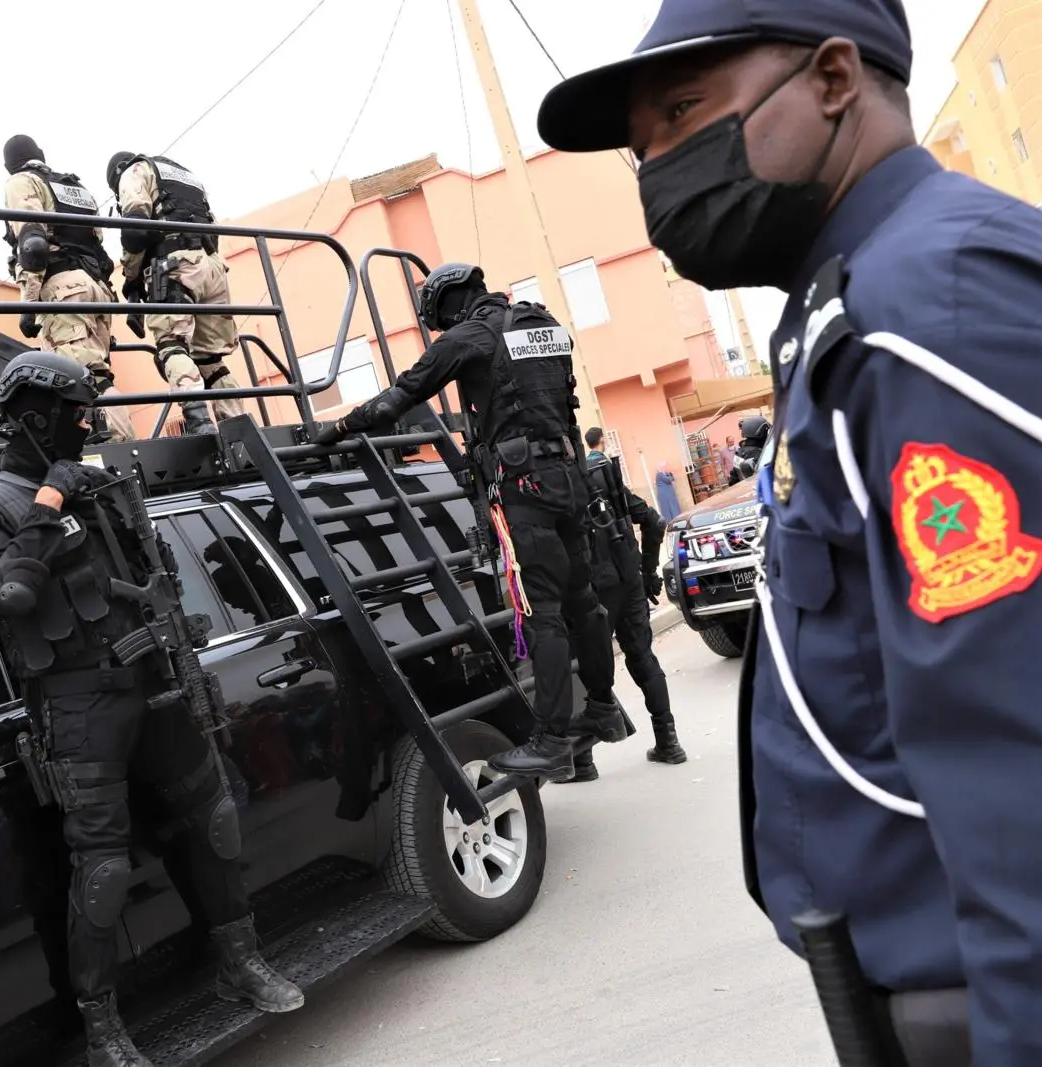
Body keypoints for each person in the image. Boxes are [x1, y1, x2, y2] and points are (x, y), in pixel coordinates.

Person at [538, 0, 1042, 1060]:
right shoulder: (850, 304)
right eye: (642, 146)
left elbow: (1021, 751)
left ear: (833, 79)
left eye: (684, 113)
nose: (659, 168)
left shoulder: (924, 310)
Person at [0, 351, 302, 1066]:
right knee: (103, 869)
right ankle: (103, 1031)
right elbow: (6, 596)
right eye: (75, 412)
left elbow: (154, 574)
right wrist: (50, 501)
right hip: (80, 706)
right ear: (35, 418)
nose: (87, 423)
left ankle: (240, 962)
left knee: (214, 821)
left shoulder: (102, 483)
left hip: (156, 682)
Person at [312, 263, 627, 782]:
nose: (443, 329)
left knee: (540, 613)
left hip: (524, 489)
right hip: (569, 479)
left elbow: (401, 396)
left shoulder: (470, 336)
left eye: (440, 319)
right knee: (582, 601)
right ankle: (602, 706)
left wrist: (341, 426)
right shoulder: (543, 324)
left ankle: (552, 740)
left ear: (449, 302)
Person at [566, 437, 688, 783]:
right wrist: (647, 572)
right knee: (642, 657)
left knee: (586, 668)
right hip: (628, 578)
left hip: (592, 589)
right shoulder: (605, 475)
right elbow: (654, 522)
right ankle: (668, 742)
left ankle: (582, 760)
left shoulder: (559, 482)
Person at [1, 135, 134, 443]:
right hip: (97, 288)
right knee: (99, 374)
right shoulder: (75, 187)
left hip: (63, 288)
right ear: (41, 154)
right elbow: (97, 246)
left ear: (9, 165)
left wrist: (28, 305)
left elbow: (33, 246)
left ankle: (115, 444)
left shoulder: (21, 182)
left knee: (79, 376)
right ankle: (118, 441)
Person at [105, 151, 245, 437]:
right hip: (213, 266)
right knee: (211, 360)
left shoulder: (134, 171)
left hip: (176, 266)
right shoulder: (182, 175)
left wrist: (132, 279)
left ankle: (199, 421)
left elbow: (135, 230)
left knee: (171, 346)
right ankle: (238, 425)